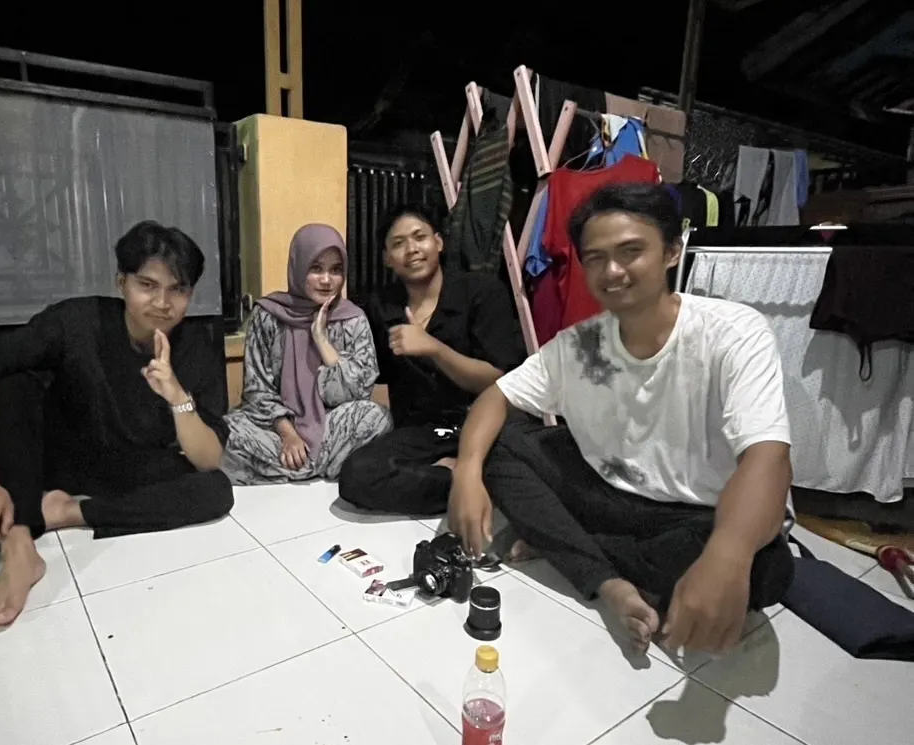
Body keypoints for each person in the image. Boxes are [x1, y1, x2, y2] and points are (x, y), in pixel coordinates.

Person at [448, 183, 795, 656]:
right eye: (595, 258)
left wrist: (727, 553)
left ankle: (568, 544)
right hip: (604, 493)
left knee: (768, 570)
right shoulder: (579, 344)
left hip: (695, 514)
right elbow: (496, 396)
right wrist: (467, 471)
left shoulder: (734, 333)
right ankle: (609, 581)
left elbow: (768, 459)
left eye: (631, 251)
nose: (612, 271)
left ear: (672, 251)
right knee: (499, 443)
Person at [0, 221, 234, 629]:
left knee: (215, 490)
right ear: (122, 282)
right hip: (56, 462)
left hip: (126, 467)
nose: (162, 302)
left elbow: (208, 459)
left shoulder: (195, 346)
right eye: (147, 285)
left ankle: (66, 513)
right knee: (12, 380)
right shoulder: (77, 321)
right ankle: (19, 547)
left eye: (178, 290)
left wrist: (176, 395)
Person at [338, 205, 525, 514]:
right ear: (386, 258)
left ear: (438, 242)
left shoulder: (481, 292)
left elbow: (498, 379)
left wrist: (433, 348)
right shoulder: (382, 307)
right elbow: (374, 378)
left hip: (483, 425)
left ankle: (476, 476)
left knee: (527, 464)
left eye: (419, 237)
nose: (412, 249)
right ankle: (461, 481)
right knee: (357, 475)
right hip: (426, 432)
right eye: (398, 243)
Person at [223, 224, 392, 483]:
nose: (326, 280)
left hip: (331, 429)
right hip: (277, 429)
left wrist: (321, 339)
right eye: (316, 268)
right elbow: (257, 389)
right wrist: (288, 434)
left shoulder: (353, 319)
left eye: (336, 270)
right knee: (225, 432)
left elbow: (357, 393)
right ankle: (326, 466)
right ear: (298, 266)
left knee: (377, 418)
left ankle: (293, 466)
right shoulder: (268, 315)